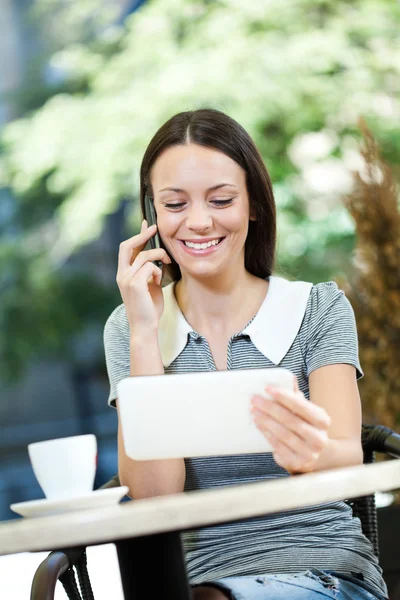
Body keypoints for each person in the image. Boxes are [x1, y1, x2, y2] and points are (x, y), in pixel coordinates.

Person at [104, 108, 388, 600]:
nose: (197, 221)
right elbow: (153, 495)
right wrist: (144, 334)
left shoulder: (317, 308)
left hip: (325, 570)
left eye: (220, 200)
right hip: (200, 584)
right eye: (174, 204)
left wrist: (308, 450)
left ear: (253, 204)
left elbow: (346, 454)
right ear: (152, 215)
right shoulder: (129, 326)